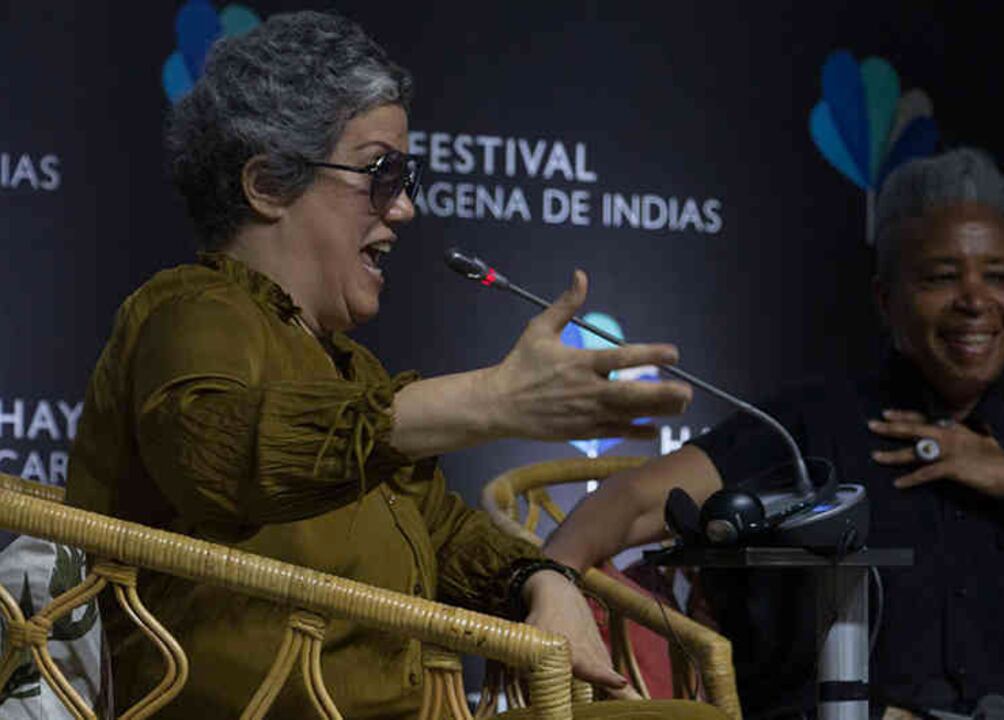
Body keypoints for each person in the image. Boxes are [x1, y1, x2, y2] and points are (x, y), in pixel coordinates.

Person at [64, 11, 724, 719]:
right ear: (267, 185)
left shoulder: (349, 370)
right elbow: (222, 455)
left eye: (406, 177)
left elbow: (446, 532)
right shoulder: (186, 309)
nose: (405, 208)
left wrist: (544, 580)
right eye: (382, 174)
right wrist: (486, 402)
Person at [544, 148, 1004, 719]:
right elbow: (633, 502)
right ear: (887, 299)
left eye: (998, 277)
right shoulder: (806, 427)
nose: (976, 300)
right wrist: (549, 581)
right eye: (942, 276)